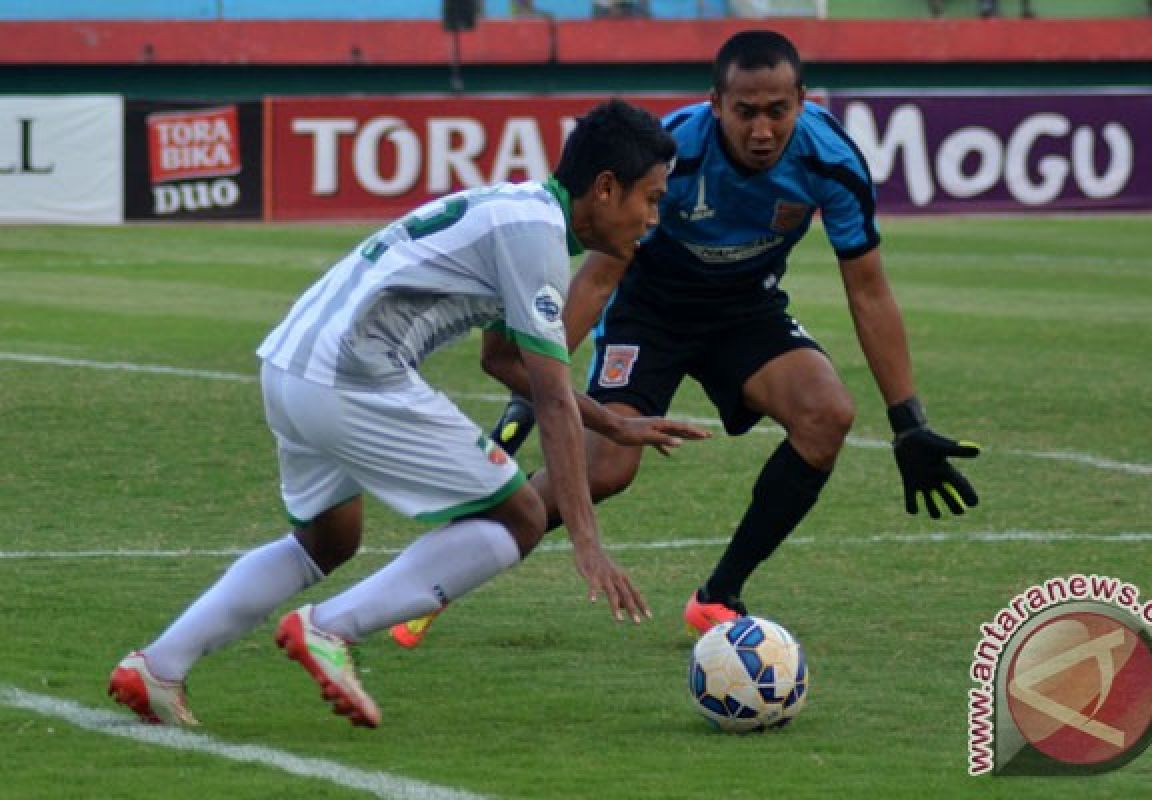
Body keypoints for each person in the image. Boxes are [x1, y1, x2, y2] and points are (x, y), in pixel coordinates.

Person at [107, 99, 707, 728]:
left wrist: (612, 424)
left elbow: (503, 361)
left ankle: (160, 666)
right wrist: (587, 542)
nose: (653, 217)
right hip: (351, 374)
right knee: (522, 517)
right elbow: (551, 397)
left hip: (288, 364)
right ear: (606, 188)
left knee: (328, 539)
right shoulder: (535, 236)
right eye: (650, 198)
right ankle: (331, 630)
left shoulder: (519, 210)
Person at [393, 30, 980, 648]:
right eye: (745, 111)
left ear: (802, 102)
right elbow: (599, 278)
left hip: (745, 309)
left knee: (826, 414)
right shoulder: (673, 154)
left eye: (777, 110)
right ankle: (440, 579)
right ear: (714, 104)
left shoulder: (832, 160)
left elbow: (868, 290)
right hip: (651, 311)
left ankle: (718, 598)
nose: (761, 129)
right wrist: (539, 377)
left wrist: (907, 421)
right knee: (608, 468)